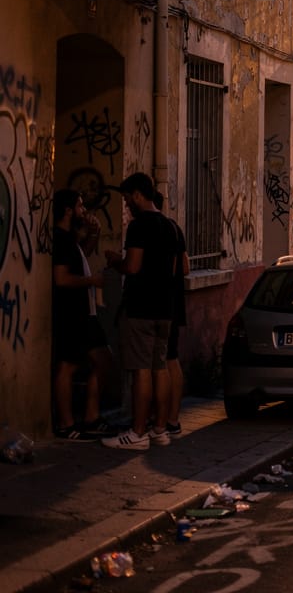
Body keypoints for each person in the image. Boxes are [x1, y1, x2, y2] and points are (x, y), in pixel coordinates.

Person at [101, 173, 179, 450]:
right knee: (160, 367)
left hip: (140, 308)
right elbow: (174, 270)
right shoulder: (170, 227)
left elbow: (132, 266)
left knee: (141, 370)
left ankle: (137, 432)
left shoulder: (139, 226)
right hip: (164, 308)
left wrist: (115, 262)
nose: (126, 205)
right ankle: (160, 429)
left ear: (137, 195)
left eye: (126, 199)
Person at [50, 189, 115, 440]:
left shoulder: (69, 239)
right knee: (68, 365)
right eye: (79, 206)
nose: (84, 210)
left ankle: (91, 417)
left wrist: (94, 234)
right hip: (72, 313)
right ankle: (66, 425)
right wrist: (92, 281)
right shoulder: (61, 239)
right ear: (68, 210)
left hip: (85, 313)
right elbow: (61, 278)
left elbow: (81, 257)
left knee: (102, 360)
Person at [153, 190, 189, 439]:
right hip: (175, 305)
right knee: (171, 359)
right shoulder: (175, 229)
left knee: (159, 363)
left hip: (159, 306)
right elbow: (185, 267)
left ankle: (159, 421)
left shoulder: (154, 230)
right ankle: (173, 419)